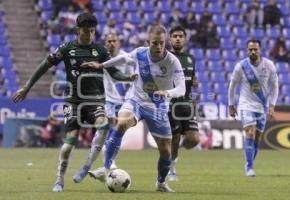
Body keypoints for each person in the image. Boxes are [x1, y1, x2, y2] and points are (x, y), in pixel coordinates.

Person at [11, 12, 134, 192]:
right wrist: (26, 87)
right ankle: (59, 179)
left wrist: (128, 78)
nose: (90, 35)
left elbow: (114, 73)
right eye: (86, 31)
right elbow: (44, 65)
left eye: (92, 31)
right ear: (77, 30)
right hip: (73, 102)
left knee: (104, 125)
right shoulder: (67, 48)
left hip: (95, 101)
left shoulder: (101, 50)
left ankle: (86, 167)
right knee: (69, 144)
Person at [80, 25, 186, 192]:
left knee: (166, 151)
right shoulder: (139, 53)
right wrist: (102, 65)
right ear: (147, 42)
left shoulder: (172, 61)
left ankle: (161, 183)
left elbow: (182, 89)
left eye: (162, 43)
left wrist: (167, 92)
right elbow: (122, 59)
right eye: (154, 43)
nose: (158, 47)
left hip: (157, 107)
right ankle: (106, 167)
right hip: (135, 99)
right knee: (121, 123)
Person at [228, 39, 279, 177]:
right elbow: (232, 86)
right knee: (249, 132)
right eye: (250, 49)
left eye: (255, 49)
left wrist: (272, 105)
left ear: (260, 50)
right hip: (245, 105)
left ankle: (248, 163)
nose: (253, 52)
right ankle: (250, 167)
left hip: (262, 106)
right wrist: (231, 105)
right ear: (247, 50)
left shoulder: (269, 65)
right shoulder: (241, 66)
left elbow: (275, 87)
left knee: (257, 138)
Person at [88, 33, 134, 179]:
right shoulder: (101, 57)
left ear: (119, 43)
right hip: (106, 99)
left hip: (123, 101)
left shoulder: (126, 58)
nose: (111, 43)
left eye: (114, 41)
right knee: (105, 129)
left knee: (115, 133)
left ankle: (105, 167)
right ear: (105, 43)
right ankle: (107, 164)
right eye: (109, 41)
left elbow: (131, 79)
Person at [167, 25, 199, 181]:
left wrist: (194, 83)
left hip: (187, 104)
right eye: (175, 36)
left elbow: (191, 79)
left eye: (180, 36)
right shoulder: (165, 58)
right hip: (171, 105)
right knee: (174, 137)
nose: (178, 38)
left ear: (185, 39)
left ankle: (174, 150)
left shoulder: (190, 58)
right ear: (170, 39)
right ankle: (171, 170)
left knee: (193, 140)